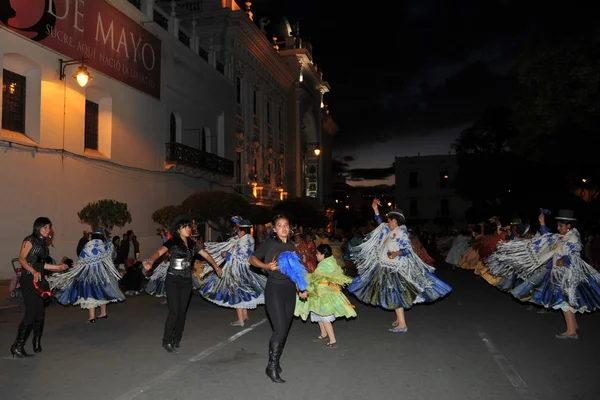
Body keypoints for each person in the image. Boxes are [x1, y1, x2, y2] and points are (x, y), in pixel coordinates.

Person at [348, 199, 452, 332]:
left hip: (394, 269)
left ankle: (402, 325)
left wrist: (396, 252)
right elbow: (379, 222)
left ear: (395, 221)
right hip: (386, 267)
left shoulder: (402, 233)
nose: (387, 222)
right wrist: (375, 209)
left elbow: (407, 249)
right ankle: (399, 320)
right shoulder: (389, 230)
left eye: (389, 220)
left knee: (395, 295)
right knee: (392, 293)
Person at [144, 216, 222, 353]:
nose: (188, 229)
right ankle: (166, 340)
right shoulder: (172, 242)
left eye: (189, 226)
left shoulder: (192, 244)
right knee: (174, 311)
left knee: (182, 312)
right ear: (179, 229)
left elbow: (206, 255)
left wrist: (216, 266)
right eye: (185, 227)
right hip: (173, 279)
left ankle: (177, 339)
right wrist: (151, 261)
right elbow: (158, 252)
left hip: (186, 281)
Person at [249, 214, 308, 383]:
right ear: (274, 229)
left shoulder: (292, 247)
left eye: (286, 225)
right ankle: (271, 367)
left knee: (285, 330)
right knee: (280, 329)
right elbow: (252, 259)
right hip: (274, 289)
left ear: (290, 228)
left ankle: (276, 362)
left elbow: (296, 271)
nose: (283, 228)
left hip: (289, 291)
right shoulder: (270, 244)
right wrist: (266, 265)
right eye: (280, 225)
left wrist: (301, 288)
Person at [10, 217, 68, 358]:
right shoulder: (29, 240)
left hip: (39, 278)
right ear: (37, 228)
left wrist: (58, 267)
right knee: (31, 313)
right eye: (44, 227)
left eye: (49, 227)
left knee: (40, 313)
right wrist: (34, 271)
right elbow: (22, 259)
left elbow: (41, 265)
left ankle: (36, 342)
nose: (48, 230)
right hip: (29, 279)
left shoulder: (43, 243)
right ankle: (18, 346)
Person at [49, 226, 125, 322]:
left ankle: (92, 317)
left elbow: (82, 257)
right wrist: (107, 239)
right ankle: (103, 313)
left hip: (90, 274)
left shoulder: (88, 245)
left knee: (91, 294)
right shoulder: (104, 245)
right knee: (103, 292)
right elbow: (112, 253)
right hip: (103, 273)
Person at [201, 219, 266, 326]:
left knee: (236, 291)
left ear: (242, 231)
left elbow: (240, 257)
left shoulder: (244, 241)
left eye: (239, 230)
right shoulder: (248, 239)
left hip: (238, 270)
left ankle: (240, 320)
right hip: (244, 269)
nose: (237, 232)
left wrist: (226, 254)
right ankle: (244, 316)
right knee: (243, 291)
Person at [294, 244, 356, 348]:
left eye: (317, 254)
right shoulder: (330, 262)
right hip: (322, 292)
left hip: (323, 294)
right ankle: (324, 334)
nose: (316, 256)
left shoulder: (323, 266)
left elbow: (315, 279)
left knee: (325, 316)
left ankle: (332, 340)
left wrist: (304, 282)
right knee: (318, 314)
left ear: (323, 254)